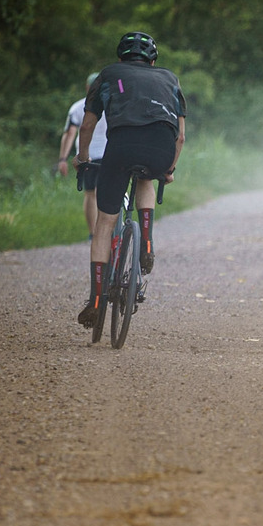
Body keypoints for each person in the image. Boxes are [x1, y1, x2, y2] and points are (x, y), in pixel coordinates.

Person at [75, 31, 186, 329]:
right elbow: (181, 136)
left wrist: (82, 158)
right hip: (161, 147)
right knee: (147, 177)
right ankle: (146, 242)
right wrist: (169, 169)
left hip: (121, 146)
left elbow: (87, 125)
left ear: (121, 56)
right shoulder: (170, 78)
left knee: (104, 223)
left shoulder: (109, 75)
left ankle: (96, 301)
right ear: (153, 59)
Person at [61, 73, 109, 239]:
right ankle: (110, 230)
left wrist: (63, 158)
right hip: (111, 154)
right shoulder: (113, 105)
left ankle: (93, 233)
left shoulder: (78, 107)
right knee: (110, 191)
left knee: (90, 194)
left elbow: (69, 134)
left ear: (88, 87)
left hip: (88, 155)